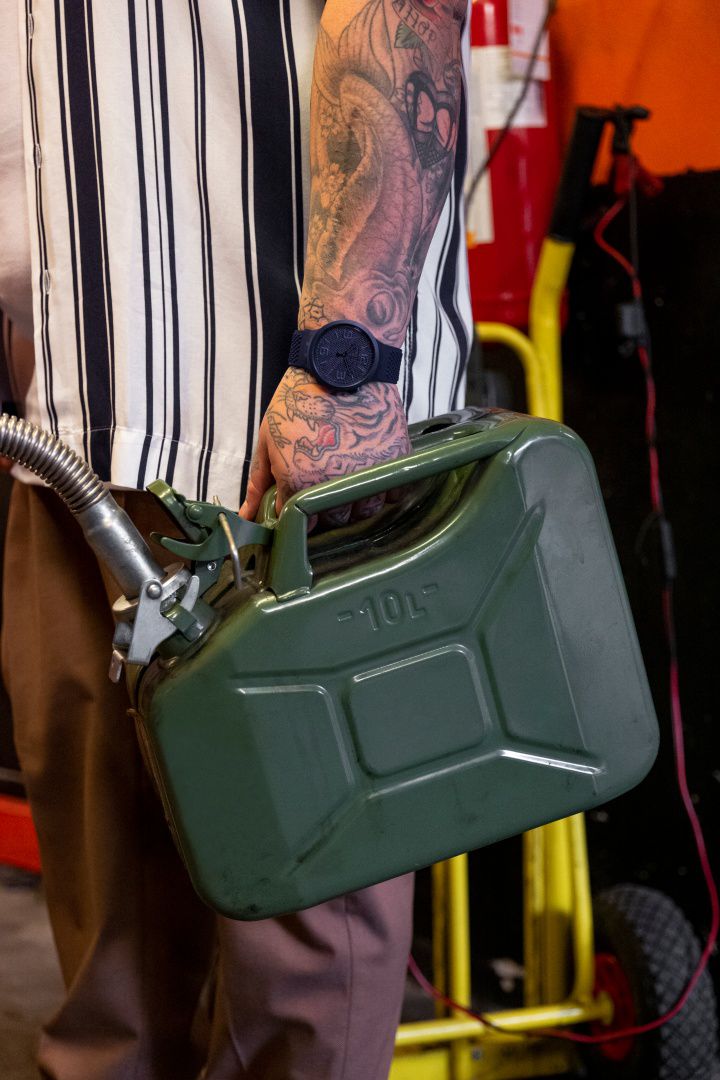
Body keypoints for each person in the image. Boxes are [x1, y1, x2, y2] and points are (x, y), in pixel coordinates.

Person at [0, 2, 472, 1077]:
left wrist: (350, 362)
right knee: (110, 981)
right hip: (62, 426)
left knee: (301, 975)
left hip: (277, 430)